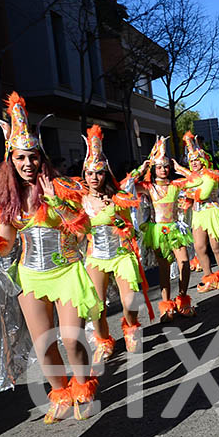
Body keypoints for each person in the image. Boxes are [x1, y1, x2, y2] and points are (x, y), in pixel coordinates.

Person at [0, 93, 99, 423]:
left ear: (41, 156)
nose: (28, 163)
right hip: (31, 275)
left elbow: (81, 232)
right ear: (11, 159)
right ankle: (60, 393)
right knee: (44, 343)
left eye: (32, 156)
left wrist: (56, 202)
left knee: (70, 339)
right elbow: (4, 245)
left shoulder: (62, 187)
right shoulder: (8, 199)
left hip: (66, 273)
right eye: (21, 157)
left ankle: (82, 386)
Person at [80, 126, 152, 365]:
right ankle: (103, 340)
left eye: (98, 173)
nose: (94, 178)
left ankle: (131, 327)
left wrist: (124, 225)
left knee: (130, 299)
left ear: (106, 174)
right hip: (96, 255)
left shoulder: (117, 197)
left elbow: (131, 223)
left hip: (121, 253)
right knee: (95, 306)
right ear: (84, 174)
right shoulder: (79, 200)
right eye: (89, 173)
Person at [122, 137, 195, 322]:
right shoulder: (148, 187)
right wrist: (142, 168)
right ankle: (166, 306)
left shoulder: (175, 185)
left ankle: (183, 299)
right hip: (157, 232)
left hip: (175, 229)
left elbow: (196, 181)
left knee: (184, 263)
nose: (164, 169)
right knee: (163, 269)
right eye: (159, 167)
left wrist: (180, 169)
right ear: (154, 169)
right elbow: (125, 187)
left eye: (166, 166)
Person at [173, 132, 219, 293]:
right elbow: (187, 189)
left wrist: (186, 190)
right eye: (192, 161)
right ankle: (209, 277)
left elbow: (203, 194)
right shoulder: (192, 177)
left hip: (212, 213)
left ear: (203, 160)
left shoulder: (211, 175)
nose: (194, 163)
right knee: (199, 247)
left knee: (216, 247)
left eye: (197, 160)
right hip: (198, 215)